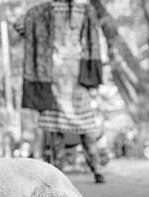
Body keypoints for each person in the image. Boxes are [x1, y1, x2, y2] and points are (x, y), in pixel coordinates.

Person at [17, 0, 105, 183]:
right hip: (79, 77)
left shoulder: (40, 11)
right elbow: (95, 39)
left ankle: (59, 173)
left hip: (52, 75)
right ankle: (97, 169)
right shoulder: (85, 10)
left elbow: (19, 25)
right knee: (85, 124)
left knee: (55, 128)